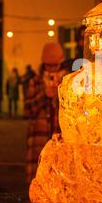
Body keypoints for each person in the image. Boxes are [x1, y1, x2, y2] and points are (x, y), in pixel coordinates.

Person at [24, 42, 68, 183]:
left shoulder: (67, 82)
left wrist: (60, 94)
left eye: (56, 65)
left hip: (61, 138)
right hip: (40, 138)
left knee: (61, 179)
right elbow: (28, 110)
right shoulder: (35, 82)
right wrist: (44, 95)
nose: (52, 69)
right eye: (49, 65)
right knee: (39, 178)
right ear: (43, 65)